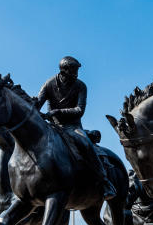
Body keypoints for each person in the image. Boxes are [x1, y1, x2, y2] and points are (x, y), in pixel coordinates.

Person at [34, 56, 116, 199]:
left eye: (77, 70)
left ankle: (104, 182)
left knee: (86, 143)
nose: (76, 73)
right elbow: (37, 105)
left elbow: (79, 110)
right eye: (74, 70)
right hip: (53, 126)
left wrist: (58, 112)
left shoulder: (81, 86)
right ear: (64, 70)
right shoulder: (48, 84)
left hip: (72, 126)